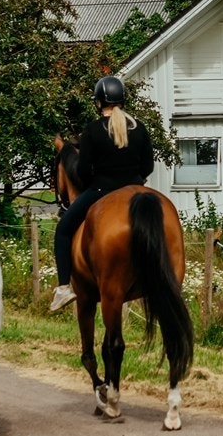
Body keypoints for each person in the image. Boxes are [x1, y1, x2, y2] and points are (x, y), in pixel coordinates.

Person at [50, 75, 154, 312]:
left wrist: (95, 181)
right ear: (122, 101)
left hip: (101, 190)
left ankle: (64, 288)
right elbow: (148, 167)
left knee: (64, 230)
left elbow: (84, 170)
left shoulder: (93, 130)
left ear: (98, 103)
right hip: (137, 189)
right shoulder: (139, 128)